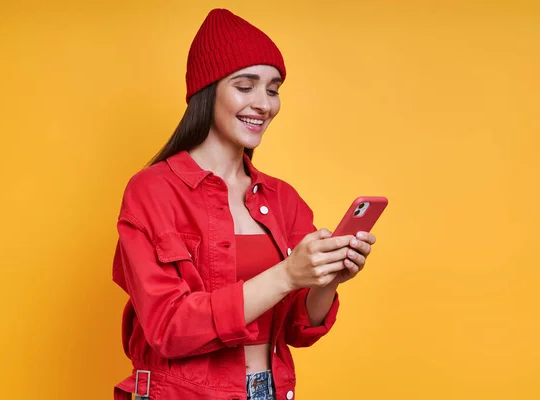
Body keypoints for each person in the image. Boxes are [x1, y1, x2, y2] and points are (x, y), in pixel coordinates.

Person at [111, 8, 377, 400]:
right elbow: (168, 327)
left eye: (272, 89)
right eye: (245, 85)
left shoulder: (282, 198)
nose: (263, 104)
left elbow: (297, 329)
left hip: (268, 391)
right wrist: (287, 274)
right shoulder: (152, 191)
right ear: (207, 90)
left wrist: (327, 278)